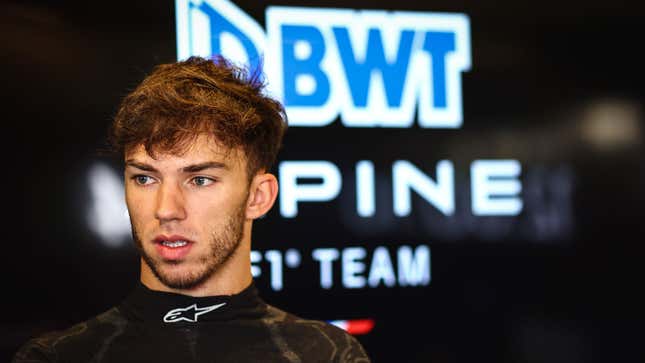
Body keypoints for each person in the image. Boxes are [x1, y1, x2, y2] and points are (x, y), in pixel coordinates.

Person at [13, 56, 370, 363]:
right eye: (145, 178)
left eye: (199, 180)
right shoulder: (58, 356)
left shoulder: (328, 355)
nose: (166, 210)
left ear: (258, 197)